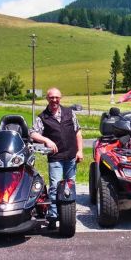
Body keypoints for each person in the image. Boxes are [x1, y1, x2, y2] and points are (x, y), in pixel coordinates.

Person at [30, 87, 84, 230]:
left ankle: (69, 216)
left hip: (71, 156)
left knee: (70, 186)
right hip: (55, 158)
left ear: (61, 98)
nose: (54, 100)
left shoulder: (69, 113)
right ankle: (53, 217)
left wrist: (80, 151)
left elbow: (78, 132)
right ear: (47, 99)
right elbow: (32, 133)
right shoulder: (43, 117)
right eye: (51, 97)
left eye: (57, 97)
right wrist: (46, 140)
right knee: (54, 187)